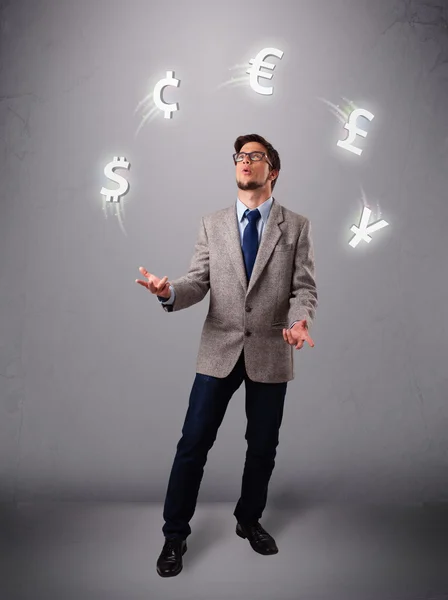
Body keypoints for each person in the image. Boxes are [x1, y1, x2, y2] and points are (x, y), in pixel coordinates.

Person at [135, 133, 318, 577]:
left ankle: (248, 519)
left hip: (273, 349)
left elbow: (304, 288)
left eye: (255, 156)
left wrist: (299, 321)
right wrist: (170, 291)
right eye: (240, 156)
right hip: (219, 348)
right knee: (193, 444)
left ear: (272, 170)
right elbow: (199, 281)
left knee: (262, 448)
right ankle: (174, 535)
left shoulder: (295, 226)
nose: (245, 162)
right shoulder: (212, 224)